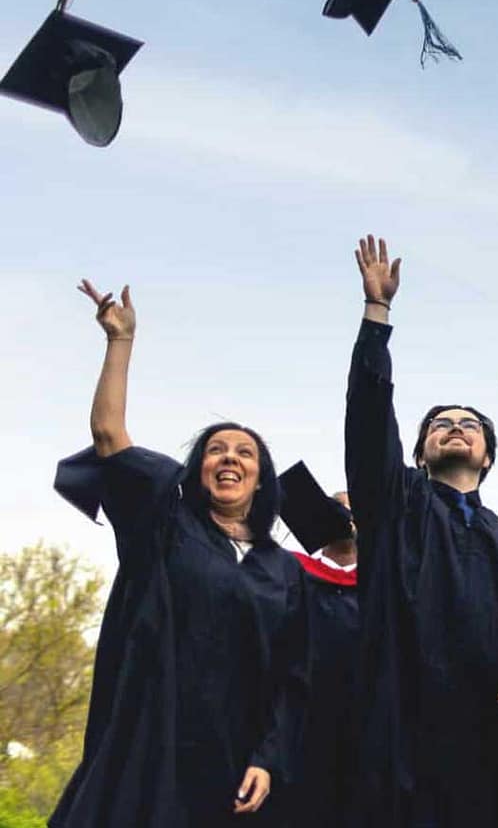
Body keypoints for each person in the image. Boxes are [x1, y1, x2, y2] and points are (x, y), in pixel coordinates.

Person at [52, 282, 308, 827]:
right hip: (152, 745)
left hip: (233, 764)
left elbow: (292, 677)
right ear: (199, 471)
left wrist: (268, 758)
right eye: (216, 449)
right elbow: (108, 438)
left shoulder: (284, 571)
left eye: (244, 452)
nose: (229, 458)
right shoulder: (165, 530)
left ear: (261, 480)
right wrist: (120, 342)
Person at [342, 236, 498, 828]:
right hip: (400, 737)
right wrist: (377, 316)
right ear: (420, 453)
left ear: (489, 457)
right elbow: (370, 427)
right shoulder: (398, 507)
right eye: (440, 424)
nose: (454, 428)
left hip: (488, 751)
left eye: (469, 425)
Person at [280, 469, 362, 827]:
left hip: (364, 729)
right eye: (336, 507)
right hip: (298, 726)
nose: (344, 514)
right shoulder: (286, 570)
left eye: (352, 508)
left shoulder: (389, 580)